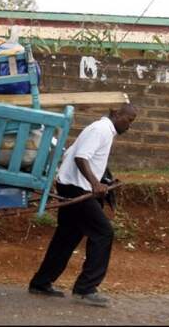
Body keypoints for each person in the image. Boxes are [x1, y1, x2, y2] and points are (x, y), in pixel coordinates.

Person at [28, 103, 137, 307]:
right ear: (116, 113)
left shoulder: (102, 130)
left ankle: (41, 282)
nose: (129, 126)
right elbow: (80, 157)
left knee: (67, 236)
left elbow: (78, 155)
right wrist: (94, 184)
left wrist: (103, 181)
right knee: (103, 232)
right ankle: (85, 289)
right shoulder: (101, 129)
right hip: (77, 189)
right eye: (129, 120)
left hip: (71, 185)